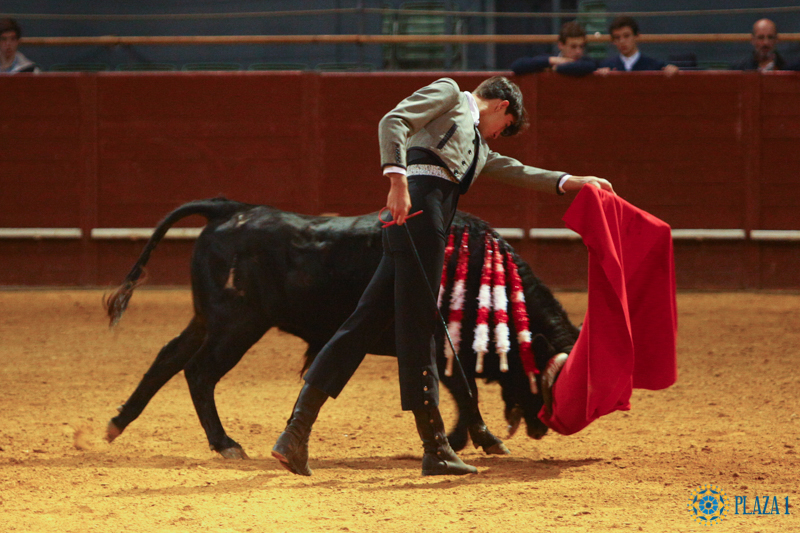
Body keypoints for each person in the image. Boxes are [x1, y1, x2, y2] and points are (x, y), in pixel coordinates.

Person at [271, 76, 614, 477]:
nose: (500, 136)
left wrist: (571, 182)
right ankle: (435, 448)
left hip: (426, 217)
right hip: (421, 212)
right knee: (419, 329)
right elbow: (392, 121)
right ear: (502, 105)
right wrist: (397, 182)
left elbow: (514, 170)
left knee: (363, 323)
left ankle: (294, 434)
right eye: (505, 127)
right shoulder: (451, 93)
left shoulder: (476, 145)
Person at [597, 16, 678, 76]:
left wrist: (673, 71)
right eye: (617, 37)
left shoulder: (655, 66)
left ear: (636, 36)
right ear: (613, 41)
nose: (622, 41)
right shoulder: (606, 66)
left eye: (626, 36)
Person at [510, 21, 596, 77]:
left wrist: (557, 68)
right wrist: (551, 60)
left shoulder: (587, 61)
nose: (578, 51)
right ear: (561, 45)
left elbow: (588, 66)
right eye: (573, 46)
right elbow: (517, 66)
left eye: (581, 46)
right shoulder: (550, 61)